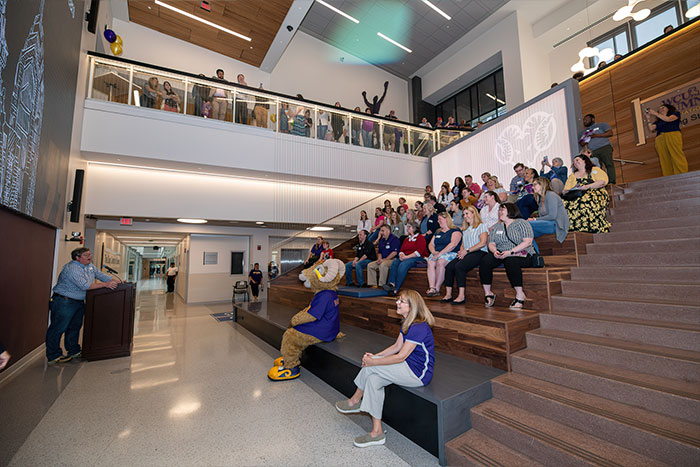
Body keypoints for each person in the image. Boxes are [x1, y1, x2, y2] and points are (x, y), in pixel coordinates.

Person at [336, 290, 434, 448]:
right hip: (406, 366)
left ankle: (354, 400)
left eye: (402, 301)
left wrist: (373, 362)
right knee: (373, 380)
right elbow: (396, 347)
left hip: (418, 374)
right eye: (398, 300)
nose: (397, 303)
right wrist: (375, 357)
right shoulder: (407, 322)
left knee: (370, 369)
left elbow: (400, 356)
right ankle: (377, 433)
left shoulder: (418, 327)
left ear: (412, 306)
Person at [46, 248, 120, 363]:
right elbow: (85, 286)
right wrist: (105, 285)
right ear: (77, 258)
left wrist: (120, 283)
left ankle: (74, 351)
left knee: (75, 327)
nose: (89, 257)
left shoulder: (89, 266)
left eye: (90, 254)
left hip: (78, 302)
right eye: (86, 255)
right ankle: (53, 355)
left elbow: (103, 276)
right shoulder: (72, 268)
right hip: (64, 302)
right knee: (58, 328)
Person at [479, 203, 536, 310]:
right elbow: (491, 243)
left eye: (502, 210)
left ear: (510, 210)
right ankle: (488, 293)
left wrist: (511, 252)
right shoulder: (496, 226)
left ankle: (520, 295)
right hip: (502, 253)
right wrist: (495, 251)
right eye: (499, 210)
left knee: (510, 261)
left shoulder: (521, 223)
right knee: (485, 261)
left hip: (522, 253)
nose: (499, 212)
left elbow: (527, 242)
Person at [442, 206, 489, 304]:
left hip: (479, 252)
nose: (465, 216)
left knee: (460, 266)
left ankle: (461, 296)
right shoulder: (465, 229)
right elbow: (463, 244)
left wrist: (466, 251)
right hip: (467, 252)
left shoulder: (482, 226)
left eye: (467, 213)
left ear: (474, 214)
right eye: (464, 214)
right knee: (450, 266)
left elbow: (483, 243)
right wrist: (461, 252)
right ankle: (448, 294)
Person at [563, 153, 611, 233]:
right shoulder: (572, 175)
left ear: (585, 160)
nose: (575, 162)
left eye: (577, 160)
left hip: (595, 192)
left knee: (585, 200)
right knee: (564, 203)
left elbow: (602, 181)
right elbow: (565, 189)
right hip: (577, 194)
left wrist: (587, 186)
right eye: (574, 161)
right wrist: (572, 189)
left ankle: (593, 227)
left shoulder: (594, 170)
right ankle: (575, 227)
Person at [384, 223, 428, 295]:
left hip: (418, 257)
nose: (407, 228)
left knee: (403, 264)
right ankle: (391, 284)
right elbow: (401, 250)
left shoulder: (420, 238)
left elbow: (419, 252)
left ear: (414, 228)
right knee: (395, 263)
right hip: (406, 257)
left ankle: (396, 289)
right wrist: (401, 255)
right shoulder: (407, 239)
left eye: (409, 227)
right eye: (407, 227)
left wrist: (406, 257)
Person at [425, 212, 462, 297]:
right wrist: (434, 252)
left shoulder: (455, 230)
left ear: (446, 219)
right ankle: (432, 287)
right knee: (430, 262)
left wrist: (440, 254)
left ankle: (437, 288)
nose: (438, 221)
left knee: (440, 262)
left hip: (450, 253)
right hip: (437, 253)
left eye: (440, 219)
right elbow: (431, 244)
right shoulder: (438, 231)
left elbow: (453, 244)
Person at [528, 177, 570, 249]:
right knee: (526, 234)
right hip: (548, 224)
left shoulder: (551, 195)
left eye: (535, 184)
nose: (532, 187)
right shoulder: (541, 199)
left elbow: (552, 216)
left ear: (542, 184)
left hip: (557, 224)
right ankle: (536, 255)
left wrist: (534, 220)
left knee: (527, 225)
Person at [646, 103, 688, 176]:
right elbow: (651, 128)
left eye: (663, 107)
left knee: (676, 155)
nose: (661, 109)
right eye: (660, 109)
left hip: (672, 135)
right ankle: (669, 177)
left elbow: (668, 119)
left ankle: (682, 175)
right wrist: (648, 119)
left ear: (668, 108)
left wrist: (655, 113)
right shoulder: (659, 121)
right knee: (664, 159)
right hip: (660, 139)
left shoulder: (675, 114)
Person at [579, 113, 616, 184]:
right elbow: (582, 143)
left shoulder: (602, 125)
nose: (585, 121)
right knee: (596, 167)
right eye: (584, 120)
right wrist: (588, 138)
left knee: (609, 164)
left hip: (604, 147)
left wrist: (595, 135)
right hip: (593, 151)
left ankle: (611, 181)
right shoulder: (584, 132)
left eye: (587, 119)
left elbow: (610, 133)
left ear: (592, 119)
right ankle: (599, 182)